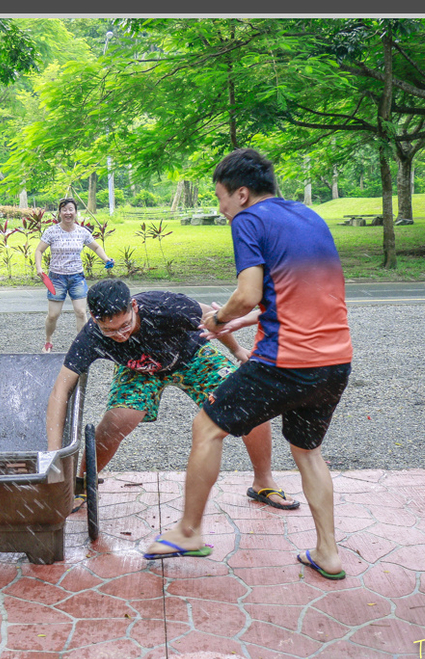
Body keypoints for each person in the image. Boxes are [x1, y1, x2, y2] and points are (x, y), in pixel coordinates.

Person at [145, 149, 353, 580]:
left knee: (207, 427)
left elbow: (248, 293)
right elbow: (298, 294)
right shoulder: (310, 217)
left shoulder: (249, 220)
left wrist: (219, 319)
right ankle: (328, 553)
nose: (221, 208)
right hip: (335, 362)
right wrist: (245, 320)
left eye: (220, 197)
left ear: (241, 194)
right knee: (308, 452)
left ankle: (189, 531)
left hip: (285, 361)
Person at [45, 278, 300, 517]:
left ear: (134, 306)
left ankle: (263, 482)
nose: (120, 335)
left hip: (191, 355)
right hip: (139, 369)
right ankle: (82, 483)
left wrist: (236, 349)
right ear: (94, 318)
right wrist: (54, 455)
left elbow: (212, 318)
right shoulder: (91, 335)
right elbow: (60, 391)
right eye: (110, 331)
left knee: (247, 402)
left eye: (125, 325)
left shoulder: (164, 306)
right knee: (117, 421)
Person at [34, 198, 113, 353]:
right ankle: (48, 341)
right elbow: (39, 250)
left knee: (81, 312)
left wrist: (106, 259)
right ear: (60, 213)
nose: (68, 213)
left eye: (71, 209)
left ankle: (82, 345)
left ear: (76, 212)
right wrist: (39, 268)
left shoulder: (82, 232)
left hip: (77, 278)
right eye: (64, 210)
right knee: (53, 315)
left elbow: (96, 247)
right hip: (56, 278)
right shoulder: (52, 231)